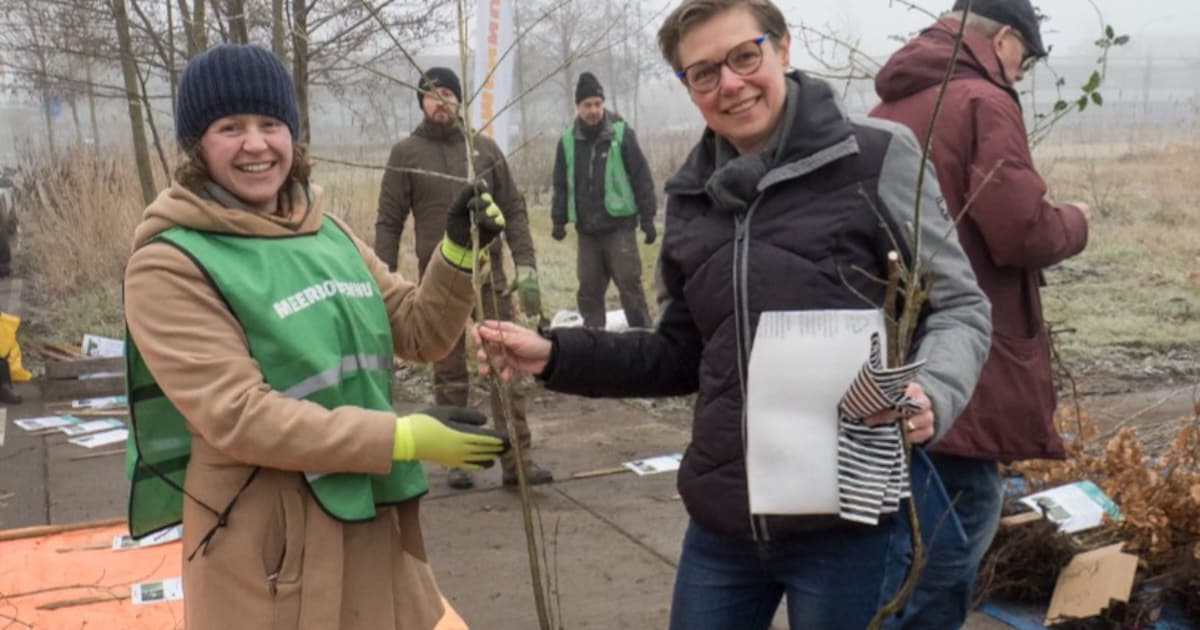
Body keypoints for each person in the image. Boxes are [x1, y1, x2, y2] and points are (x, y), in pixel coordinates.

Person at [474, 1, 993, 628]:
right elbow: (678, 353)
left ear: (782, 47)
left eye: (745, 56)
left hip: (848, 521)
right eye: (704, 72)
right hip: (724, 525)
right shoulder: (690, 195)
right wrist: (556, 353)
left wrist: (931, 389)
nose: (730, 84)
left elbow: (959, 305)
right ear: (688, 86)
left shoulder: (877, 158)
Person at [124, 44, 511, 630]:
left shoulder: (326, 233)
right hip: (270, 547)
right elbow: (240, 416)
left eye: (269, 123)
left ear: (292, 134)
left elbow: (419, 330)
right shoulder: (169, 263)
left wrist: (457, 253)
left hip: (368, 519)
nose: (256, 144)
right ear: (196, 146)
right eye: (230, 128)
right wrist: (402, 437)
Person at [871, 1, 1090, 625]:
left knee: (905, 515)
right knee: (965, 509)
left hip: (898, 334)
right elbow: (1019, 229)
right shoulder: (982, 101)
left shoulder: (890, 104)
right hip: (966, 341)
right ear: (1004, 39)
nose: (1020, 73)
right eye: (1025, 58)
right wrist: (1075, 222)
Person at [374, 67, 553, 490]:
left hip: (489, 276)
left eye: (448, 93)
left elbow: (513, 208)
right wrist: (379, 278)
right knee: (448, 368)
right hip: (439, 281)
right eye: (431, 94)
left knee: (505, 363)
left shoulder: (483, 150)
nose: (441, 101)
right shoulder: (406, 154)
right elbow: (389, 220)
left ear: (459, 99)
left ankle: (517, 459)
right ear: (421, 102)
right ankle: (458, 459)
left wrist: (526, 264)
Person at [550, 71, 657, 329]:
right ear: (578, 106)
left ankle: (643, 337)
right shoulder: (567, 141)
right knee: (588, 290)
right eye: (588, 105)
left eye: (598, 104)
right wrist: (558, 220)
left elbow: (641, 177)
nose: (594, 110)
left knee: (630, 286)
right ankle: (593, 340)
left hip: (619, 226)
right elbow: (560, 184)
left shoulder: (621, 134)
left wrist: (648, 217)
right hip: (587, 230)